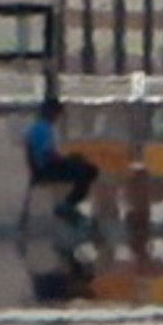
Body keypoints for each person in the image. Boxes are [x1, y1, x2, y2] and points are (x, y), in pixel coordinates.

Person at [23, 83, 101, 222]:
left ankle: (69, 205)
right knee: (88, 170)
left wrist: (69, 159)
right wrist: (68, 160)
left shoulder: (40, 127)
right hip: (47, 169)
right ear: (50, 112)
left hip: (47, 166)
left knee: (83, 167)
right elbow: (47, 156)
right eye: (56, 114)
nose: (57, 118)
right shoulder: (41, 129)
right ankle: (67, 206)